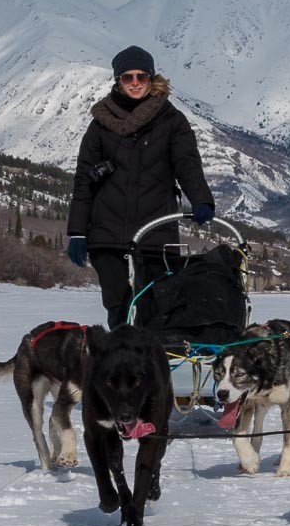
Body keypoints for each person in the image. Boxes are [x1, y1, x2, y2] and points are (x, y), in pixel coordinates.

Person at [66, 45, 215, 329]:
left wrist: (201, 200)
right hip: (107, 233)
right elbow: (84, 181)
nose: (134, 82)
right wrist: (76, 233)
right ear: (118, 81)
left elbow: (187, 165)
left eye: (141, 76)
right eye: (127, 77)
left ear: (151, 78)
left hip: (155, 232)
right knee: (118, 306)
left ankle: (151, 370)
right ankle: (121, 369)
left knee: (152, 309)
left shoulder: (172, 121)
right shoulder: (99, 125)